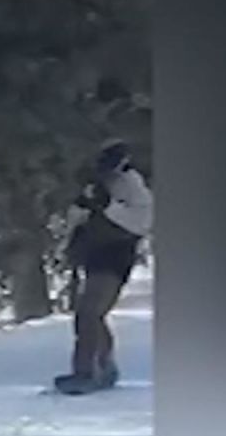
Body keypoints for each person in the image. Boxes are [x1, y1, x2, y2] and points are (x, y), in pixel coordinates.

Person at [54, 139, 153, 395]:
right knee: (90, 313)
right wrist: (70, 242)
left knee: (90, 312)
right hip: (94, 252)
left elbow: (141, 220)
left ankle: (86, 371)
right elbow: (78, 215)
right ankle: (103, 366)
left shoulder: (132, 184)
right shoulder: (97, 183)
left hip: (116, 254)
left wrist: (107, 207)